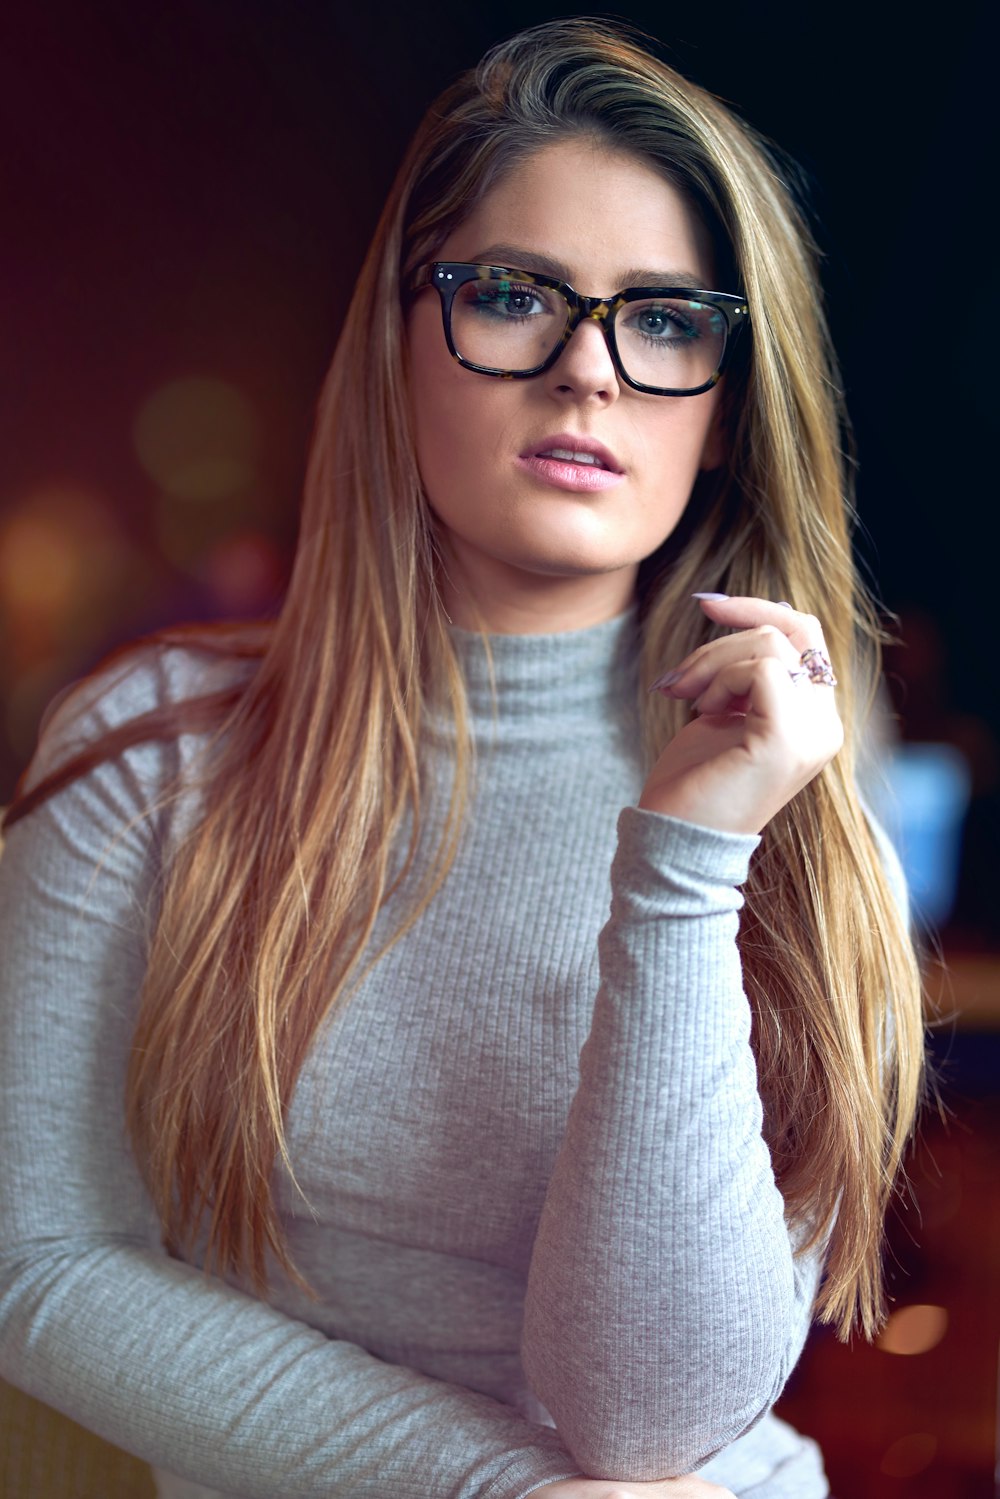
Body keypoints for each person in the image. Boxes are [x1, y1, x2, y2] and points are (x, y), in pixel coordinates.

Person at [0, 18, 924, 1499]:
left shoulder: (798, 817)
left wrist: (687, 857)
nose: (586, 373)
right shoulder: (153, 758)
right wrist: (486, 1492)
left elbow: (647, 1423)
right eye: (511, 295)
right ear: (395, 339)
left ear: (732, 412)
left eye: (668, 320)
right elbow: (36, 1265)